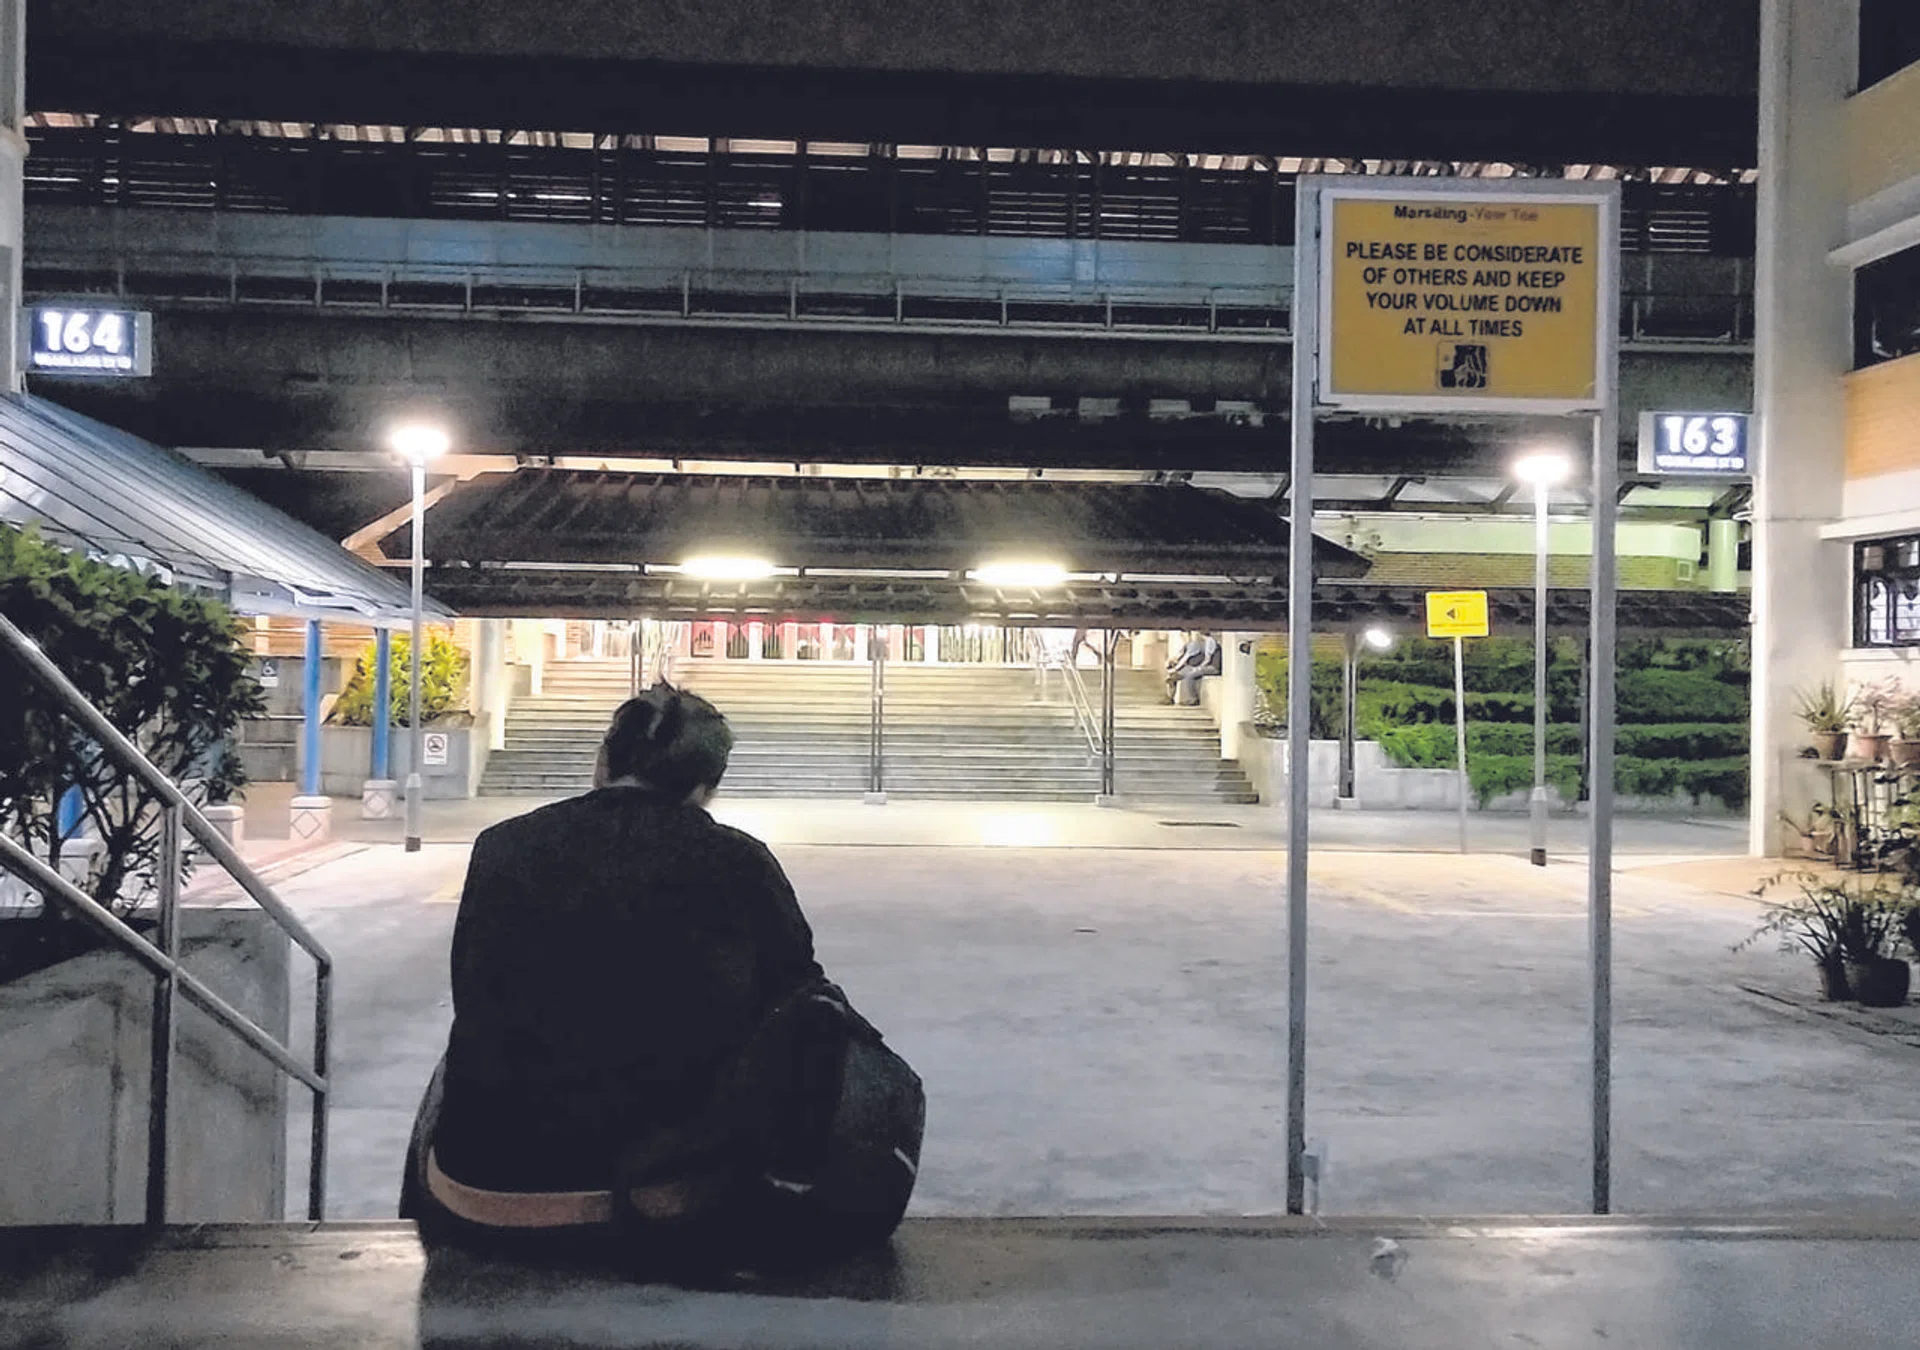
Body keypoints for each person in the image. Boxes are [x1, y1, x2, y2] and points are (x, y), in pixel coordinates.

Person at [401, 684, 920, 1271]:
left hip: (483, 1197)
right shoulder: (740, 861)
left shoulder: (501, 846)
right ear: (707, 787)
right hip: (668, 1200)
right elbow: (800, 1005)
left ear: (603, 761)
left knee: (461, 1053)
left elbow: (474, 990)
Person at [1164, 632, 1220, 706]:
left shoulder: (1205, 642)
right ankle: (1170, 697)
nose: (1183, 637)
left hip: (1210, 666)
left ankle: (1192, 699)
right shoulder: (1188, 645)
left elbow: (1206, 659)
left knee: (1189, 675)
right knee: (1172, 677)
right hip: (1193, 666)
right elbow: (1180, 656)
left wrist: (1198, 668)